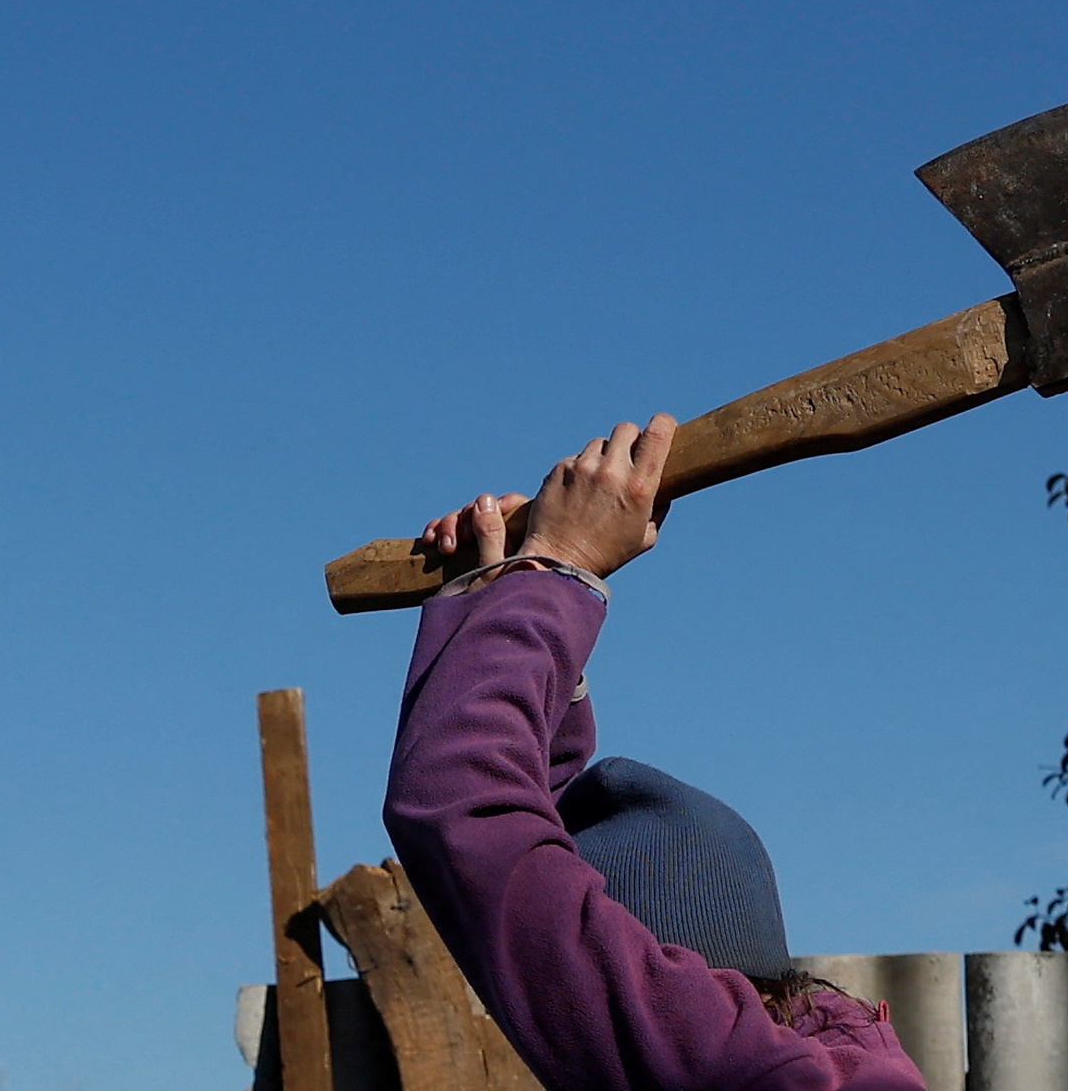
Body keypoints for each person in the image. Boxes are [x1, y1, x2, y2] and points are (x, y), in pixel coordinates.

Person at [383, 414, 927, 1091]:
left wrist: (557, 564)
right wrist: (501, 600)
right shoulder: (825, 1062)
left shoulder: (727, 1068)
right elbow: (515, 816)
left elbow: (464, 809)